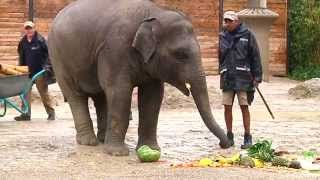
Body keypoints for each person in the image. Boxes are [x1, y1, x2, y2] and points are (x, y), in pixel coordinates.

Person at [219, 11, 262, 149]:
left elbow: (255, 56)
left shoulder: (247, 35)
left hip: (244, 78)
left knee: (244, 107)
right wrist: (222, 69)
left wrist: (257, 77)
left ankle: (247, 136)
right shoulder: (222, 36)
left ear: (237, 21)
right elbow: (220, 56)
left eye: (230, 21)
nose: (227, 23)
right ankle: (229, 136)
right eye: (226, 21)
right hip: (227, 77)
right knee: (227, 107)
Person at [14, 21, 55, 121]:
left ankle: (51, 113)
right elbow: (21, 56)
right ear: (25, 30)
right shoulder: (23, 42)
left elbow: (49, 54)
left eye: (30, 28)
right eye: (27, 28)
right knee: (25, 93)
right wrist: (21, 69)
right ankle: (25, 114)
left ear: (34, 28)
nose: (29, 30)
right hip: (27, 72)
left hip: (39, 72)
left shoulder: (40, 40)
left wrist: (47, 66)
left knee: (43, 93)